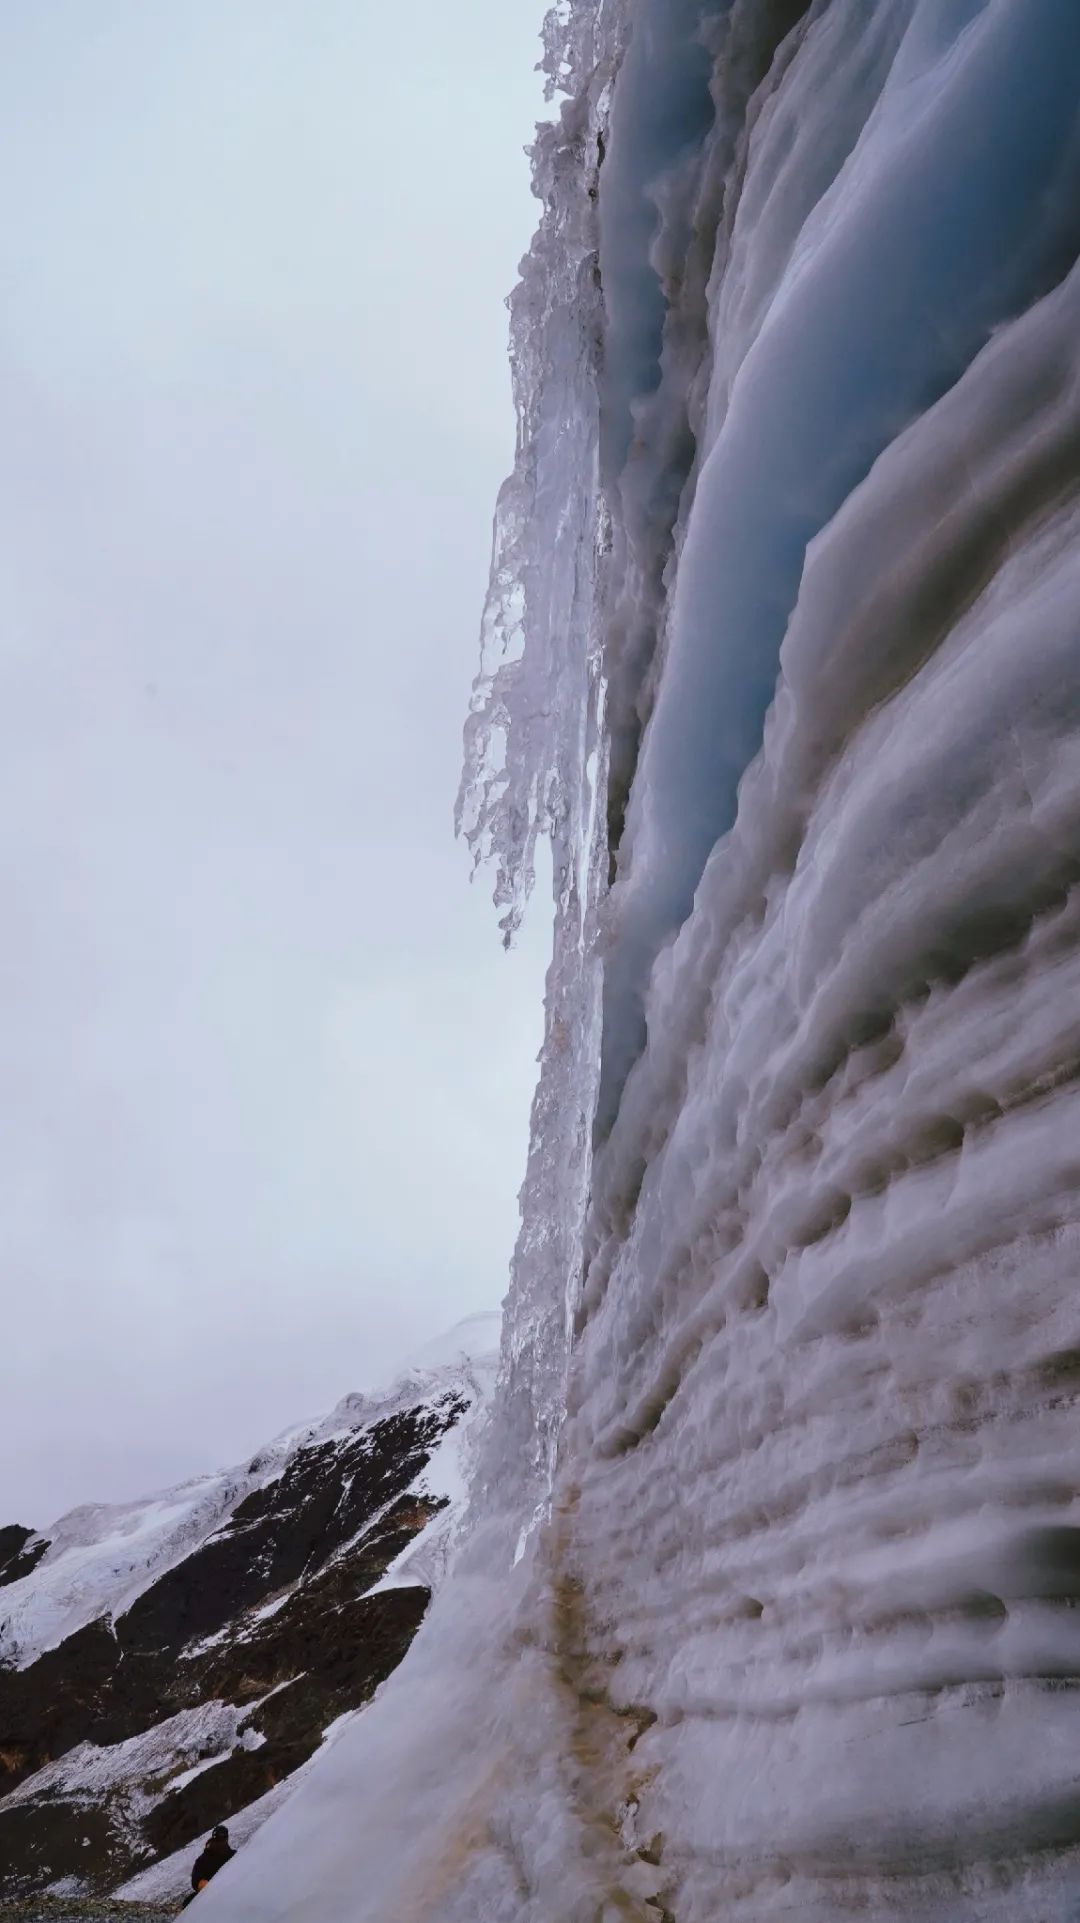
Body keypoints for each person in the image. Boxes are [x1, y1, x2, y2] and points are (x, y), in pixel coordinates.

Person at [185, 1825, 236, 1902]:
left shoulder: (233, 1855)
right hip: (211, 1896)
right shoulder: (202, 1860)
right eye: (218, 1839)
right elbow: (196, 1880)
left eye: (223, 1838)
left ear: (226, 1839)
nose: (220, 1843)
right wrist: (201, 1883)